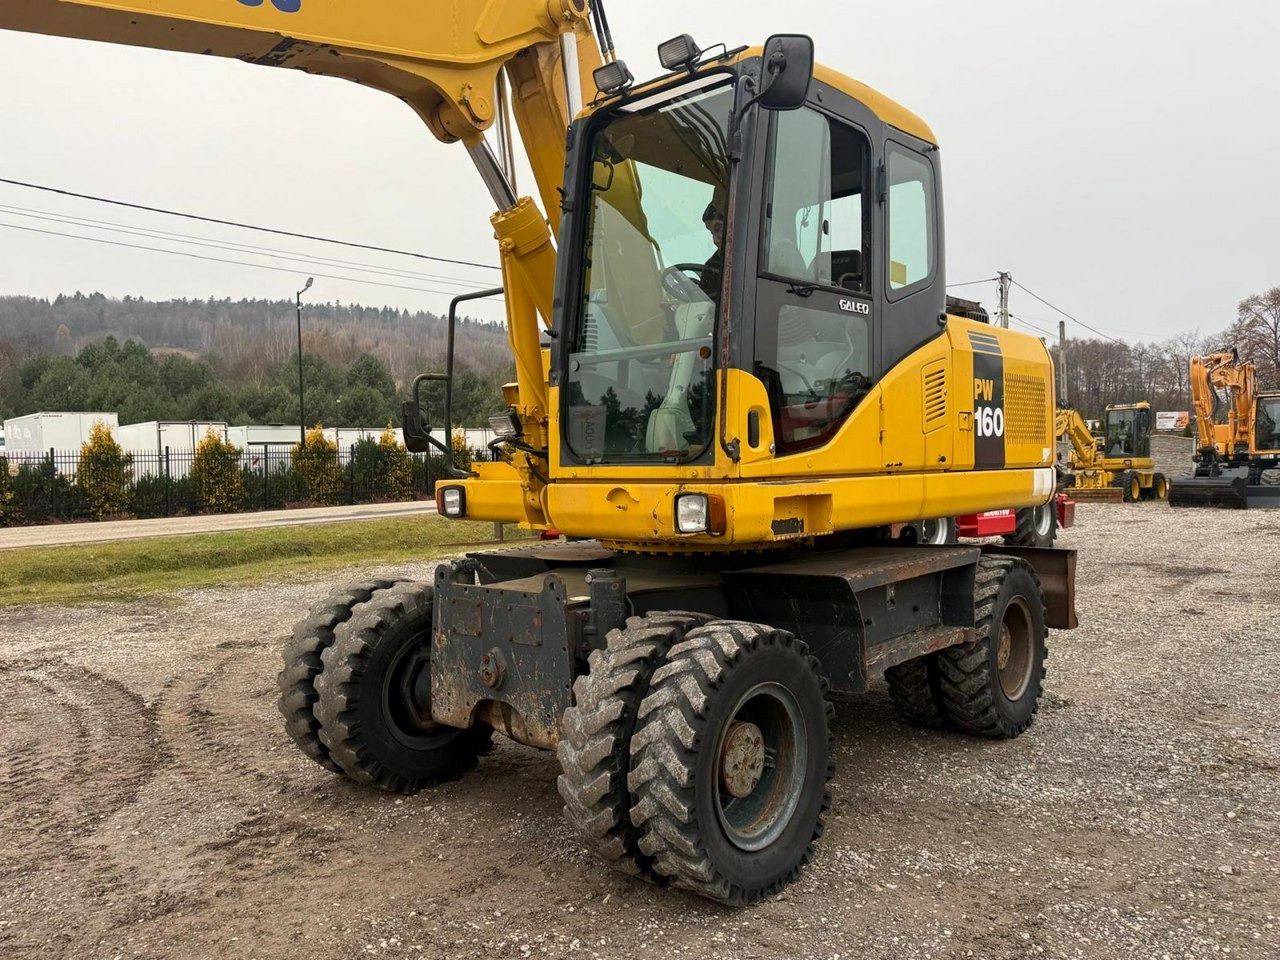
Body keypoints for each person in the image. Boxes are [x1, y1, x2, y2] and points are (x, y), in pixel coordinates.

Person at [696, 200, 724, 302]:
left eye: (719, 229)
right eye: (712, 233)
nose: (715, 240)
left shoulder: (751, 265)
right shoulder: (711, 266)